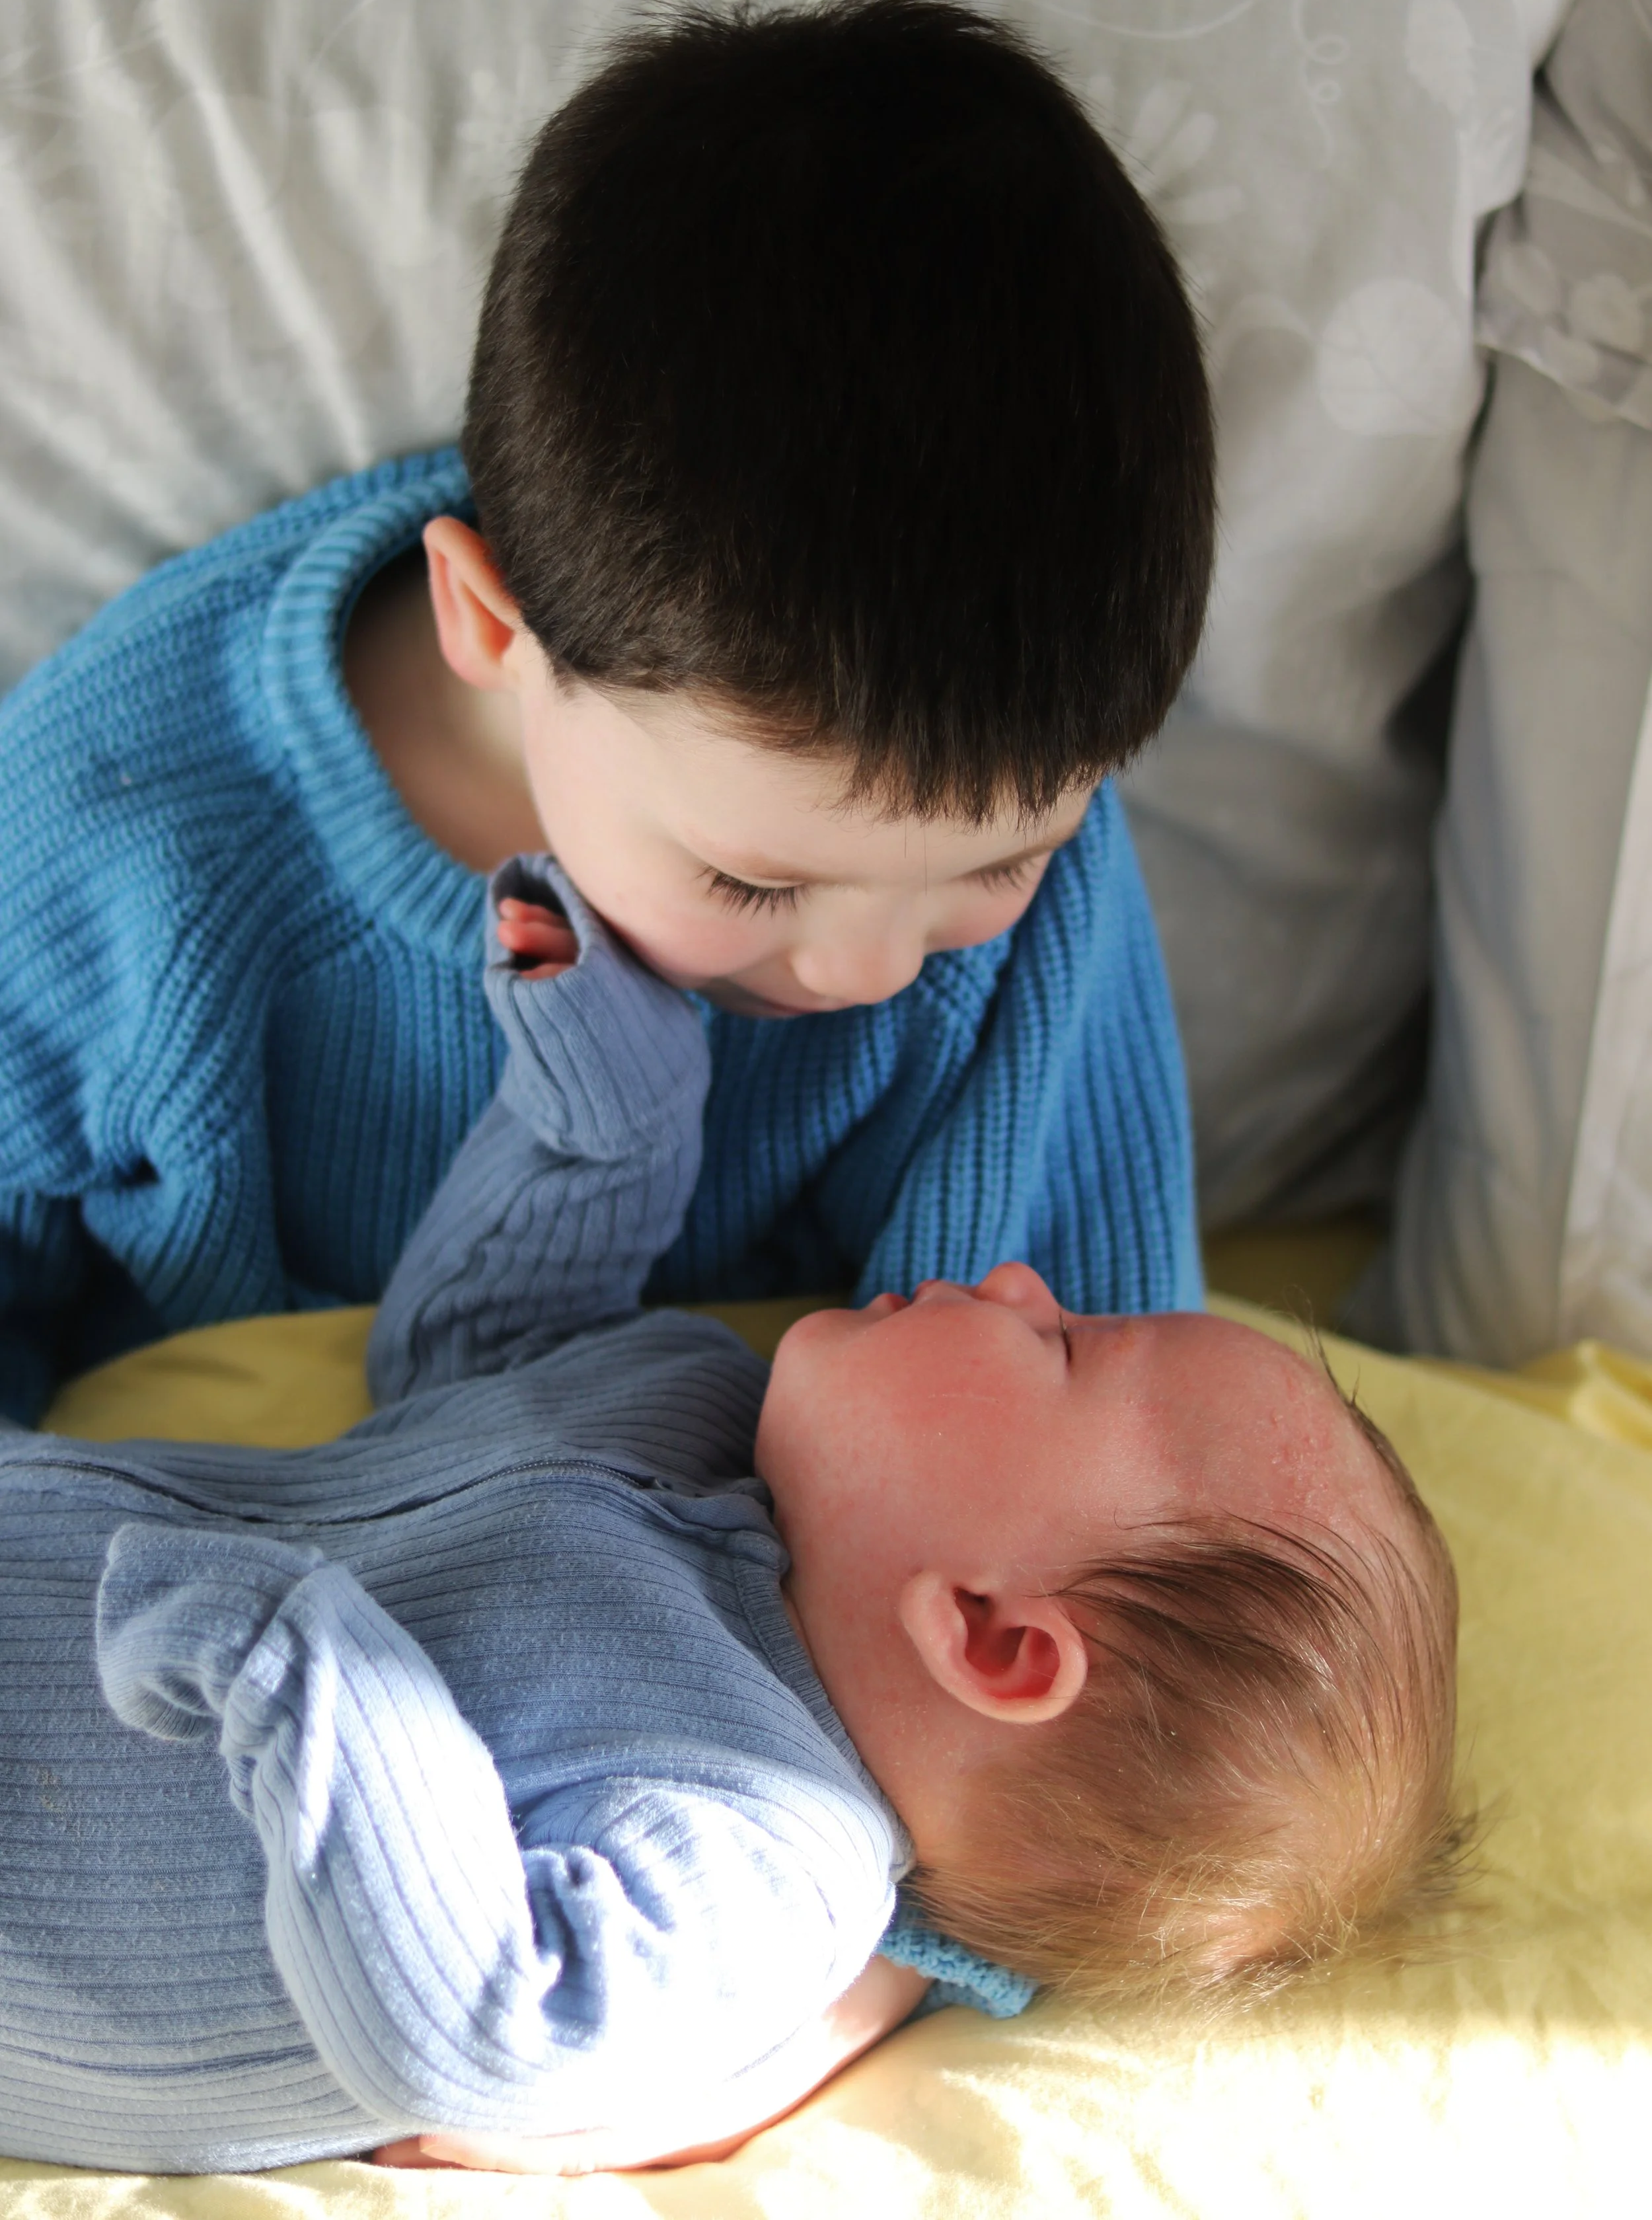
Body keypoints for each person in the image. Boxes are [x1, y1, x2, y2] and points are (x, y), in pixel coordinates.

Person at [0, 859, 1466, 2176]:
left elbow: (492, 2027)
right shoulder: (710, 1411)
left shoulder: (769, 1859)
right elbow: (465, 1361)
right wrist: (608, 1113)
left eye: (1068, 1344)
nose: (1023, 1280)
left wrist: (302, 1665)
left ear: (992, 1637)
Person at [0, 0, 1215, 1427]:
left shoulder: (996, 781)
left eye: (1000, 866)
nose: (875, 967)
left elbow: (1075, 1432)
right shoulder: (115, 827)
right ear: (489, 623)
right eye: (754, 881)